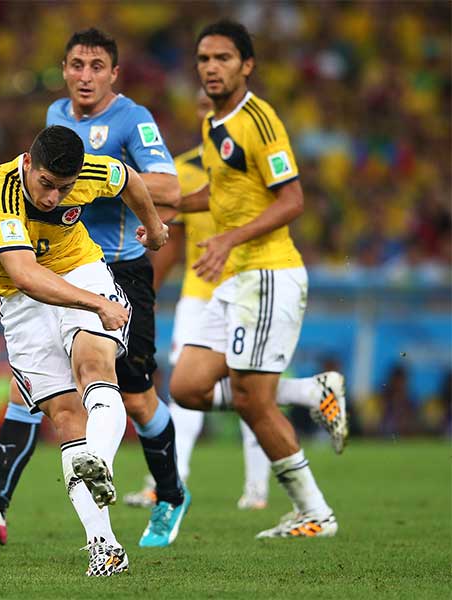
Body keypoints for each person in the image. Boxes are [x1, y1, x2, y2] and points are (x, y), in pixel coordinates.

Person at [0, 28, 188, 550]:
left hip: (106, 265)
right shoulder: (21, 165)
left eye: (97, 66)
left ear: (113, 73)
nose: (86, 75)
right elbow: (26, 270)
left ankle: (166, 492)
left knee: (126, 387)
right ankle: (70, 528)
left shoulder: (130, 122)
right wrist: (96, 300)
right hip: (41, 281)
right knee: (51, 403)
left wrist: (155, 227)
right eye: (77, 65)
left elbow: (141, 180)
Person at [125, 91, 347, 512]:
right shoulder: (187, 166)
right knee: (191, 388)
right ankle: (170, 480)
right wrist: (147, 288)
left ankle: (260, 492)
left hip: (253, 278)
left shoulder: (251, 141)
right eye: (202, 104)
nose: (209, 110)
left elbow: (283, 203)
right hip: (203, 291)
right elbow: (179, 234)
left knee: (250, 391)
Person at [170, 20, 347, 539]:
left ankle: (315, 512)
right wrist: (170, 210)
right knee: (187, 386)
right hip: (234, 280)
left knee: (252, 400)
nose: (211, 68)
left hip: (267, 273)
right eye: (204, 59)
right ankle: (312, 391)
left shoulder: (258, 119)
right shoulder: (213, 123)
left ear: (247, 65)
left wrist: (227, 239)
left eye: (223, 58)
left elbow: (292, 199)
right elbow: (220, 194)